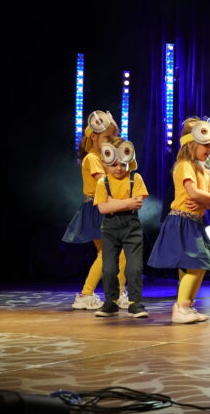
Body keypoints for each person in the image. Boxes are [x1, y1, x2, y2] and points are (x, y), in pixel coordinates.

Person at [147, 118, 210, 324]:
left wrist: (209, 200)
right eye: (206, 145)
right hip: (181, 221)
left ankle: (188, 305)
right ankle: (180, 307)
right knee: (194, 264)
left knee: (201, 265)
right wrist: (209, 199)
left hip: (196, 222)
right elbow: (194, 193)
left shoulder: (204, 171)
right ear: (191, 144)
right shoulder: (184, 165)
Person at [65, 111, 127, 310]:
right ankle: (87, 294)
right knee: (110, 253)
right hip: (98, 208)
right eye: (108, 137)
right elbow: (104, 182)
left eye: (114, 136)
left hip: (106, 207)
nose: (112, 140)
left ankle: (115, 294)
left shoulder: (104, 157)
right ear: (93, 136)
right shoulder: (92, 158)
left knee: (116, 253)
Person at [93, 139, 149, 319]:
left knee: (134, 268)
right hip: (110, 228)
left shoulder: (135, 178)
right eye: (114, 164)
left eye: (122, 164)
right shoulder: (103, 182)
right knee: (109, 268)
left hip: (131, 227)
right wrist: (126, 203)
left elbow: (137, 203)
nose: (119, 168)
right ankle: (111, 303)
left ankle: (135, 303)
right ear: (106, 163)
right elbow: (103, 208)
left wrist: (114, 203)